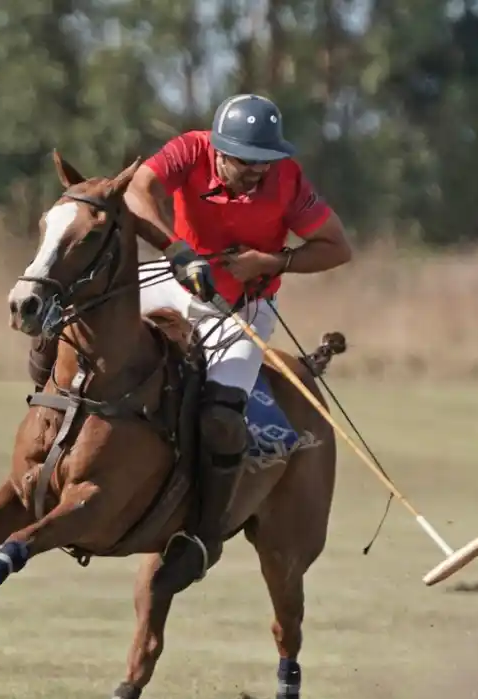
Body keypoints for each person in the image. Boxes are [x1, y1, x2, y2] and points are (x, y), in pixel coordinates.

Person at [122, 92, 353, 578]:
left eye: (265, 162)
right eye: (246, 163)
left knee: (223, 412)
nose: (257, 172)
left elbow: (336, 246)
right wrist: (176, 249)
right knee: (86, 319)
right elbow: (135, 191)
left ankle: (203, 534)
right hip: (175, 279)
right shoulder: (190, 150)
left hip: (244, 305)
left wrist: (273, 261)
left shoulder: (287, 180)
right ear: (219, 151)